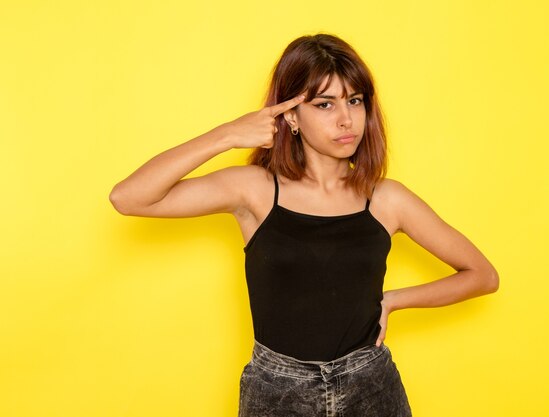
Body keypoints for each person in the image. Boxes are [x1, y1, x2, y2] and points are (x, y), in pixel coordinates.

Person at [109, 33, 499, 417]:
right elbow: (129, 198)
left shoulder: (387, 199)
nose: (346, 119)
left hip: (371, 387)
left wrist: (393, 301)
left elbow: (482, 275)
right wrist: (227, 134)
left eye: (355, 101)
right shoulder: (257, 191)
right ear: (290, 115)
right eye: (325, 105)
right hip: (278, 392)